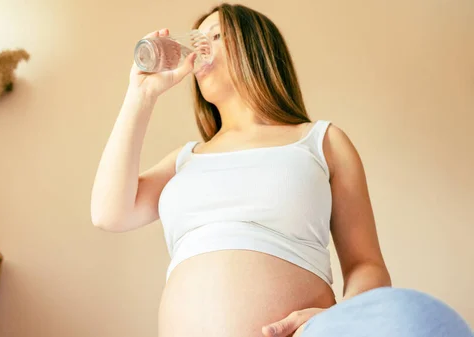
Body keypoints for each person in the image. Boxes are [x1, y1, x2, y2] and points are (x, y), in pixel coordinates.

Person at [91, 3, 473, 337]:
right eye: (196, 37)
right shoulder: (185, 159)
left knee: (421, 319)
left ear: (257, 49)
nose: (199, 46)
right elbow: (109, 213)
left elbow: (366, 265)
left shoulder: (321, 141)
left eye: (216, 34)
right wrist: (139, 96)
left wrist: (339, 316)